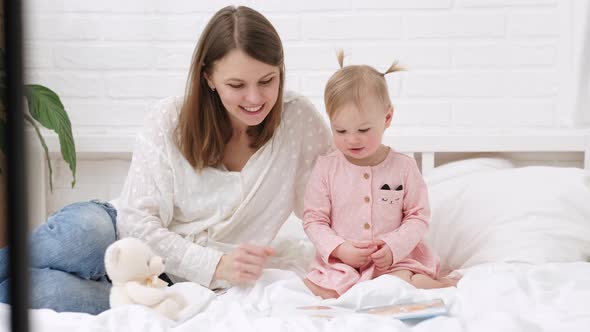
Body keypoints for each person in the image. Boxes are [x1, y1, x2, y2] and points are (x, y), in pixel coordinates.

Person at [0, 5, 332, 314]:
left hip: (165, 288)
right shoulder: (169, 118)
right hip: (124, 235)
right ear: (209, 78)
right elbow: (135, 221)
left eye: (267, 80)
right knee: (83, 238)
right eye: (237, 84)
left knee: (48, 293)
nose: (255, 98)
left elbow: (329, 202)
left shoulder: (299, 122)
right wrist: (216, 264)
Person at [302, 51, 459, 299]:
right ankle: (357, 288)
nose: (352, 139)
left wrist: (393, 246)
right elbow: (314, 220)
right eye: (340, 130)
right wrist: (340, 249)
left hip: (395, 261)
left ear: (387, 118)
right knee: (321, 289)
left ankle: (436, 284)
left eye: (363, 129)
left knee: (407, 283)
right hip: (344, 263)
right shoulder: (326, 168)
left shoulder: (404, 167)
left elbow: (418, 216)